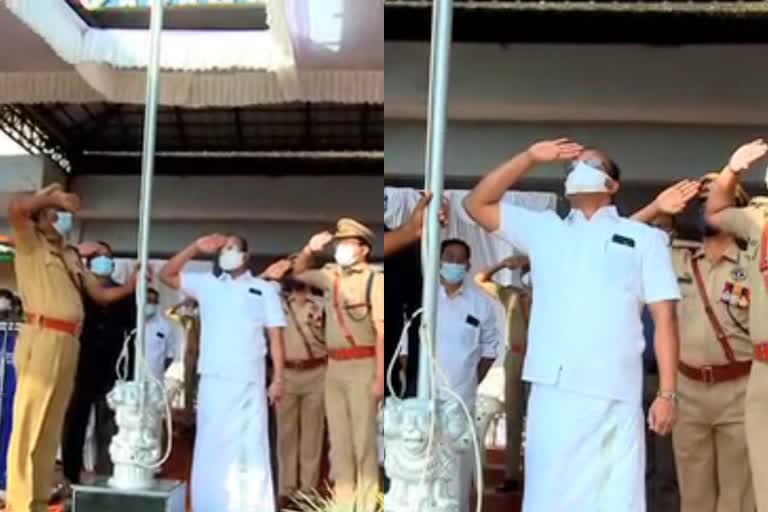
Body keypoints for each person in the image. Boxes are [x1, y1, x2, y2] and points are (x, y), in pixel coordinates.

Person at [463, 139, 680, 512]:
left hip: (615, 392)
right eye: (572, 165)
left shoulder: (645, 239)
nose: (578, 167)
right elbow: (476, 203)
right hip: (554, 388)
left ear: (612, 185)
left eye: (591, 163)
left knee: (615, 500)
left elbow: (665, 319)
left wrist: (667, 393)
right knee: (550, 497)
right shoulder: (544, 230)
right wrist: (530, 157)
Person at [6, 184, 138, 512]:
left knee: (50, 429)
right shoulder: (30, 243)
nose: (60, 217)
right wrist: (51, 196)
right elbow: (16, 208)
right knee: (30, 424)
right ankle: (21, 502)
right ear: (40, 219)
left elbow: (102, 296)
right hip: (43, 336)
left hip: (69, 341)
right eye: (53, 213)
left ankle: (37, 500)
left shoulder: (68, 254)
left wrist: (134, 285)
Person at [634, 173, 755, 512]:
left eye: (716, 202)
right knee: (694, 494)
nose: (706, 210)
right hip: (687, 389)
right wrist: (661, 206)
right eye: (701, 204)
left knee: (738, 496)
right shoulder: (675, 259)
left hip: (740, 388)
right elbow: (624, 239)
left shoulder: (753, 265)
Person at [159, 234, 286, 512]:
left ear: (246, 256)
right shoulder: (207, 285)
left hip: (249, 382)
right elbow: (166, 274)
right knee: (211, 446)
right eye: (223, 249)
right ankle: (210, 505)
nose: (226, 253)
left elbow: (276, 337)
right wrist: (195, 247)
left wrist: (278, 378)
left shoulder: (263, 289)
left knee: (250, 449)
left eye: (232, 248)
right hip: (214, 379)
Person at [289, 219, 383, 512]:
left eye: (347, 243)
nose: (340, 248)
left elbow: (381, 330)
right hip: (335, 367)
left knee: (363, 441)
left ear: (363, 249)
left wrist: (380, 377)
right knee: (339, 441)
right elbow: (300, 271)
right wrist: (310, 248)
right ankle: (343, 503)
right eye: (338, 243)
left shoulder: (374, 280)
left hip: (363, 364)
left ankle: (366, 504)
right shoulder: (330, 277)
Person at [400, 238, 500, 511]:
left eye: (459, 259)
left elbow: (490, 349)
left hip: (460, 398)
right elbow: (406, 346)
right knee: (419, 464)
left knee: (457, 468)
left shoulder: (481, 304)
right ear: (439, 261)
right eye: (449, 257)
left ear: (467, 266)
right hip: (423, 395)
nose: (453, 263)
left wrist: (469, 381)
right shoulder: (424, 298)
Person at [705, 138, 768, 512]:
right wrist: (732, 171)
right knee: (762, 475)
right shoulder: (760, 219)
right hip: (762, 366)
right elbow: (716, 211)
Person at [61, 240, 137, 486]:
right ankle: (71, 474)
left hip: (112, 367)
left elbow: (132, 333)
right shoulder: (76, 289)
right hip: (81, 364)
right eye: (98, 257)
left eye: (107, 256)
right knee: (76, 424)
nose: (102, 261)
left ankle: (106, 475)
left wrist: (129, 372)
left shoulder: (125, 293)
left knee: (109, 427)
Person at [262, 258, 327, 506]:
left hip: (316, 372)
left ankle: (308, 492)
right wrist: (269, 275)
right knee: (286, 435)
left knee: (313, 434)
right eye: (293, 272)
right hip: (285, 374)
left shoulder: (322, 304)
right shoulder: (275, 303)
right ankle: (287, 490)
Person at [473, 254, 530, 494]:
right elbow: (479, 279)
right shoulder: (512, 295)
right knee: (514, 417)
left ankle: (538, 473)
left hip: (542, 359)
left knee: (542, 420)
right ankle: (512, 475)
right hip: (515, 358)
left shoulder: (555, 296)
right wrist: (504, 264)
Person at [166, 296, 200, 427]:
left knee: (203, 388)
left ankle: (202, 417)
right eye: (191, 307)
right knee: (189, 387)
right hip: (190, 356)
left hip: (204, 356)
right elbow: (168, 312)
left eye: (194, 306)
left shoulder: (208, 320)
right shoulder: (187, 320)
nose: (192, 309)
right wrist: (182, 303)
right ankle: (188, 417)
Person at [144, 288, 178, 385]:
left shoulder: (164, 327)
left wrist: (157, 371)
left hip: (155, 382)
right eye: (148, 300)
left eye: (154, 302)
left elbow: (170, 356)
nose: (151, 304)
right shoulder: (130, 323)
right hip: (131, 383)